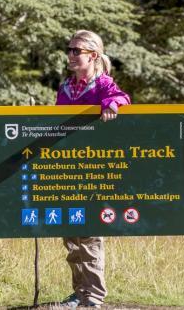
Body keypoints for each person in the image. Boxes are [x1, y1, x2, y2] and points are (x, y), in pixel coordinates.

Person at [57, 30, 131, 308]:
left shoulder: (102, 84)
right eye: (70, 49)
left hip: (92, 171)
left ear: (94, 55)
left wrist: (111, 104)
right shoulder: (65, 87)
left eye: (78, 50)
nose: (72, 55)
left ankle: (93, 297)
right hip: (66, 170)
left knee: (89, 235)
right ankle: (79, 292)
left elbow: (122, 97)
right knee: (71, 235)